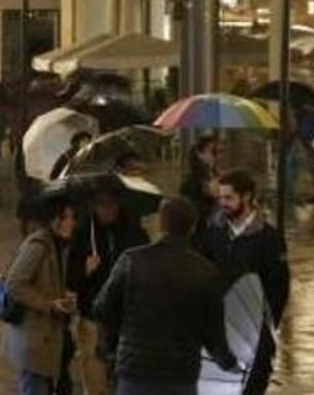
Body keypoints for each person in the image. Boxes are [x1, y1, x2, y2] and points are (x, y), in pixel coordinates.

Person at [93, 198, 239, 395]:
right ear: (192, 228)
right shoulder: (206, 273)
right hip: (180, 377)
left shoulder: (131, 260)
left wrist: (114, 346)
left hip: (134, 374)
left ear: (161, 224)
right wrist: (230, 365)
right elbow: (214, 336)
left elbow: (101, 308)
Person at [196, 171, 291, 395]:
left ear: (246, 197)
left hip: (254, 333)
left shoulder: (269, 238)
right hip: (217, 331)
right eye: (220, 198)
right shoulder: (213, 234)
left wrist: (265, 330)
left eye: (228, 198)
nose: (223, 204)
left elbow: (279, 287)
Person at [65, 188, 150, 395]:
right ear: (93, 205)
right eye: (102, 203)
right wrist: (83, 270)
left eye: (112, 203)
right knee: (95, 378)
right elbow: (68, 279)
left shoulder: (135, 233)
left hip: (125, 318)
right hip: (92, 315)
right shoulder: (82, 234)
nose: (108, 209)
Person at [1, 198, 78, 395]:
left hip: (47, 338)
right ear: (53, 220)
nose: (70, 222)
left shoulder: (60, 247)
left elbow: (49, 283)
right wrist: (50, 304)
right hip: (34, 339)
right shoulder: (39, 245)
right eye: (65, 217)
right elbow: (14, 283)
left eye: (72, 217)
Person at [179, 136, 221, 231]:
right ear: (200, 154)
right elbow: (190, 212)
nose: (218, 156)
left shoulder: (219, 177)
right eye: (213, 152)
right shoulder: (191, 182)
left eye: (220, 152)